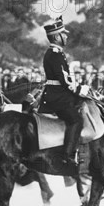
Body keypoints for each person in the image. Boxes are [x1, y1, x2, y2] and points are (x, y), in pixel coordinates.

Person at [40, 16, 90, 174]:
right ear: (56, 36)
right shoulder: (55, 54)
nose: (66, 36)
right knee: (76, 120)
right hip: (57, 98)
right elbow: (65, 80)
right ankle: (66, 156)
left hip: (57, 95)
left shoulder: (56, 53)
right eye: (63, 34)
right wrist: (81, 89)